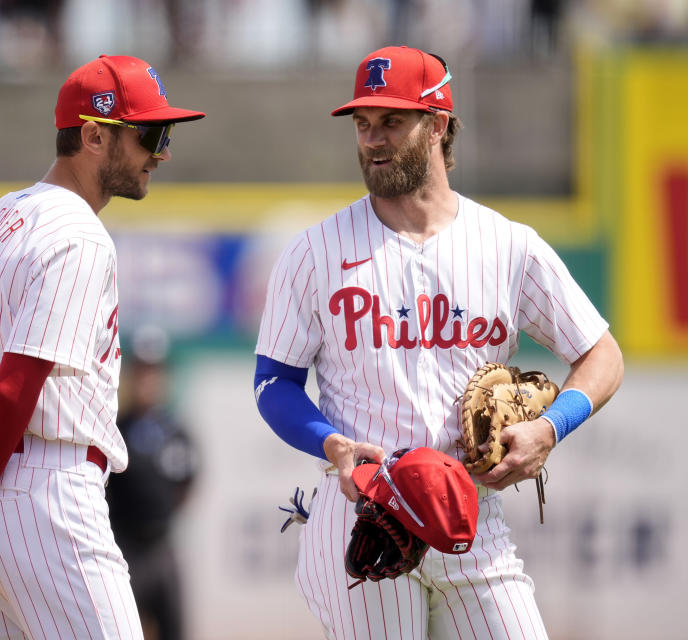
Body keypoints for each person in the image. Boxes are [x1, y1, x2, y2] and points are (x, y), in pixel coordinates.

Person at [253, 45, 623, 639]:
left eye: (392, 122)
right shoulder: (314, 252)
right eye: (364, 123)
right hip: (366, 518)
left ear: (438, 126)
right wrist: (330, 444)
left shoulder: (507, 246)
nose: (372, 139)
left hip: (469, 516)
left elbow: (601, 355)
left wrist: (550, 428)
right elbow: (274, 381)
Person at [0, 54, 204, 639]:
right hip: (46, 501)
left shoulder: (1, 219)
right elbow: (14, 386)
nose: (162, 152)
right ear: (95, 136)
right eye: (149, 134)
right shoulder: (79, 236)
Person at [106, 326, 198, 640]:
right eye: (142, 371)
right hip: (124, 549)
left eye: (154, 371)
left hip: (162, 546)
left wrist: (161, 517)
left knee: (175, 629)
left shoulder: (176, 431)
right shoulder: (116, 429)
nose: (148, 379)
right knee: (122, 630)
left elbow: (189, 480)